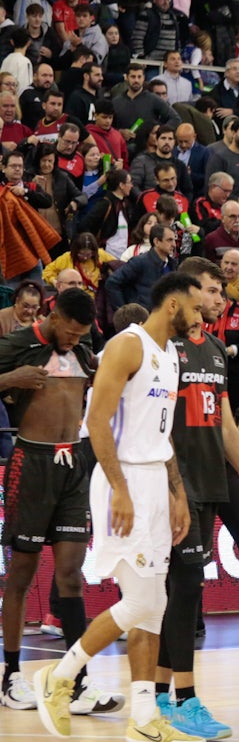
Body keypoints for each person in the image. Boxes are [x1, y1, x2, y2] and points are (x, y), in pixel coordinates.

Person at [34, 274, 208, 742]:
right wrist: (120, 489)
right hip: (123, 480)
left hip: (154, 479)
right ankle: (59, 675)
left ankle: (145, 718)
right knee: (140, 603)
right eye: (195, 308)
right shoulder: (126, 347)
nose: (200, 317)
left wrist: (176, 492)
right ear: (173, 304)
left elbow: (161, 433)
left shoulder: (171, 355)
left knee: (154, 606)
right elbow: (95, 423)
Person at [153, 258, 239, 741]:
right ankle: (182, 698)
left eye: (221, 292)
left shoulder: (218, 349)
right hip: (172, 484)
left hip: (208, 483)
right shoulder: (163, 347)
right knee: (180, 593)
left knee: (185, 593)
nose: (218, 299)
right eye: (210, 289)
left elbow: (224, 423)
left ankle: (163, 695)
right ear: (186, 292)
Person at [0, 290, 118, 716]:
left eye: (80, 334)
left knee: (70, 575)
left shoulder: (84, 351)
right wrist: (10, 381)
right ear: (53, 317)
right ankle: (11, 674)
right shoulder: (19, 343)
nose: (72, 339)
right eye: (68, 331)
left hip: (73, 465)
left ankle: (76, 681)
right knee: (23, 571)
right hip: (30, 463)